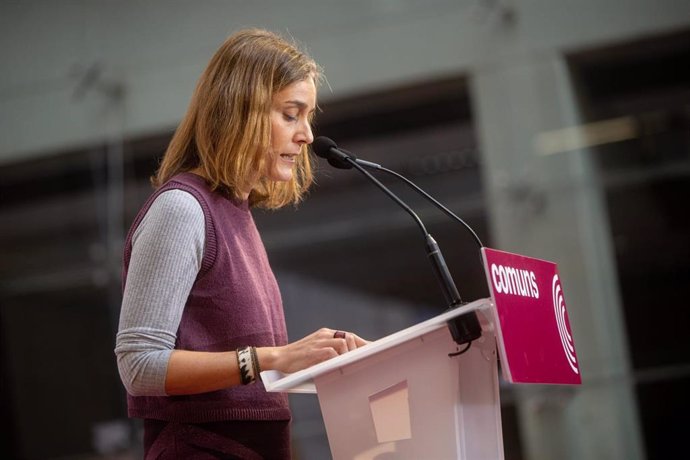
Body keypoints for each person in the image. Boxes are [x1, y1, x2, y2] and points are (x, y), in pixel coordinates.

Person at [114, 28, 367, 459]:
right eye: (291, 114)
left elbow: (248, 378)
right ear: (241, 112)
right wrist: (273, 358)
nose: (306, 135)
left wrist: (311, 361)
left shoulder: (235, 213)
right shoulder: (182, 209)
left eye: (308, 117)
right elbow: (139, 365)